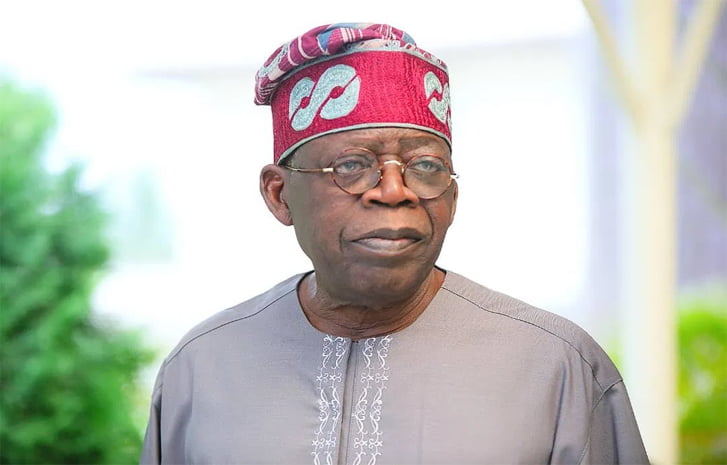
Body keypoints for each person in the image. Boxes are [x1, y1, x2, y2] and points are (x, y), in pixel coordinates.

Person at [140, 23, 649, 465]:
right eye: (351, 165)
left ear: (452, 196)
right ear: (279, 194)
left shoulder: (556, 366)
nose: (393, 191)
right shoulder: (202, 367)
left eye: (425, 166)